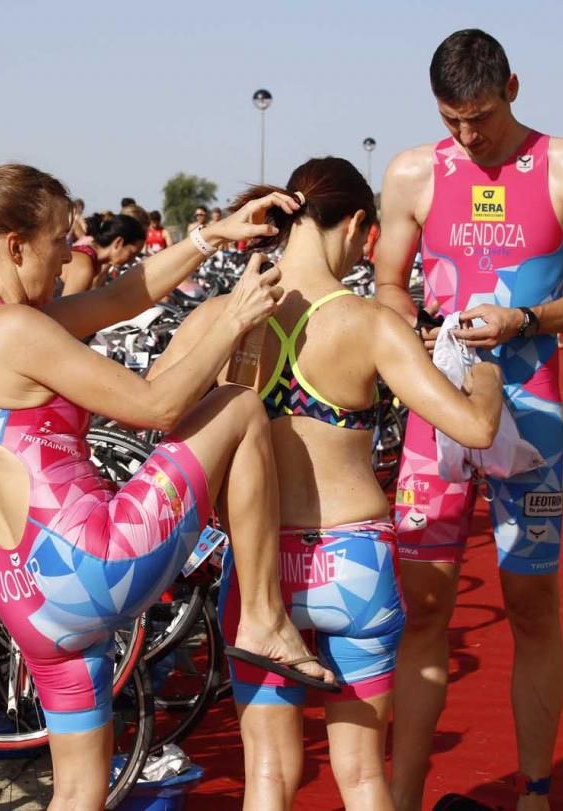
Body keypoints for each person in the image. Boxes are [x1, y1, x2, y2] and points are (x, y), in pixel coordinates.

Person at [0, 163, 331, 810]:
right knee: (238, 407)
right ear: (15, 245)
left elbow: (124, 298)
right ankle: (261, 617)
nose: (70, 255)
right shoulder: (18, 330)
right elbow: (156, 406)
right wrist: (233, 320)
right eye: (60, 239)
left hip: (25, 593)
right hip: (89, 561)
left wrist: (216, 236)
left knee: (78, 794)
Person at [154, 157, 503, 810]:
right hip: (354, 560)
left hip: (259, 571)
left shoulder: (226, 314)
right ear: (359, 226)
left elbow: (150, 404)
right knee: (364, 775)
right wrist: (484, 370)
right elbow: (475, 429)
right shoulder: (368, 322)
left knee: (267, 773)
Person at [374, 29, 563, 810]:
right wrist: (410, 335)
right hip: (436, 416)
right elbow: (388, 282)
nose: (467, 136)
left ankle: (536, 793)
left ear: (513, 86)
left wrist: (526, 317)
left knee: (530, 606)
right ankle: (404, 796)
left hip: (534, 418)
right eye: (452, 119)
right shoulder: (415, 172)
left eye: (479, 116)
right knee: (428, 605)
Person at [59, 213, 145, 295]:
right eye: (132, 253)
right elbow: (66, 308)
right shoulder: (84, 266)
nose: (132, 260)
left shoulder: (93, 262)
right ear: (118, 243)